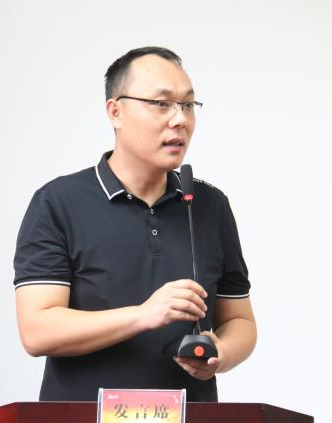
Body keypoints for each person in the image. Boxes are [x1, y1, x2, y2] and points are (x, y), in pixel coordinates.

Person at [13, 46, 257, 402]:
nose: (180, 119)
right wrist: (143, 315)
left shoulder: (210, 205)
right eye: (161, 103)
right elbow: (37, 331)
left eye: (188, 105)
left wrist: (222, 353)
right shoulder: (57, 202)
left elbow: (240, 321)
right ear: (116, 111)